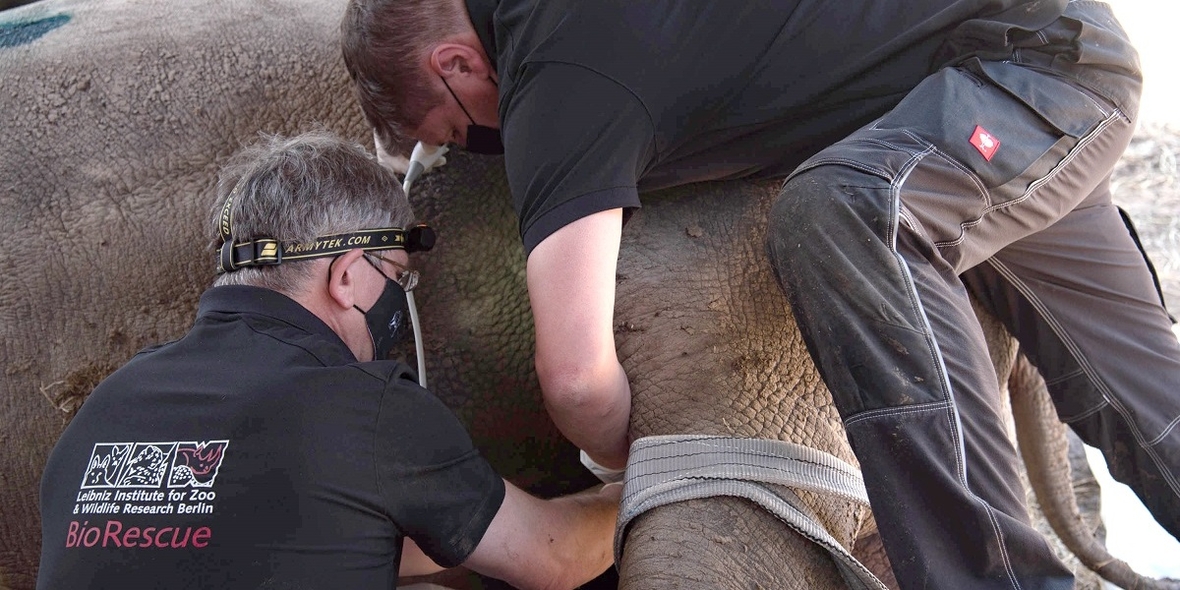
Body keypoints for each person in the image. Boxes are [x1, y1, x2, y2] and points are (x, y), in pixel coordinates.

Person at [339, 0, 1180, 587]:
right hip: (1018, 83)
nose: (480, 143)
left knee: (845, 211)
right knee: (1144, 403)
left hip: (1013, 80)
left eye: (455, 128)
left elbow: (574, 375)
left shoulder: (555, 74)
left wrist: (617, 460)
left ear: (455, 62)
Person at [35, 131, 620, 590]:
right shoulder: (368, 408)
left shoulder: (105, 406)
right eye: (396, 276)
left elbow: (264, 536)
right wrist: (632, 494)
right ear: (346, 276)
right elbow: (555, 560)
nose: (397, 299)